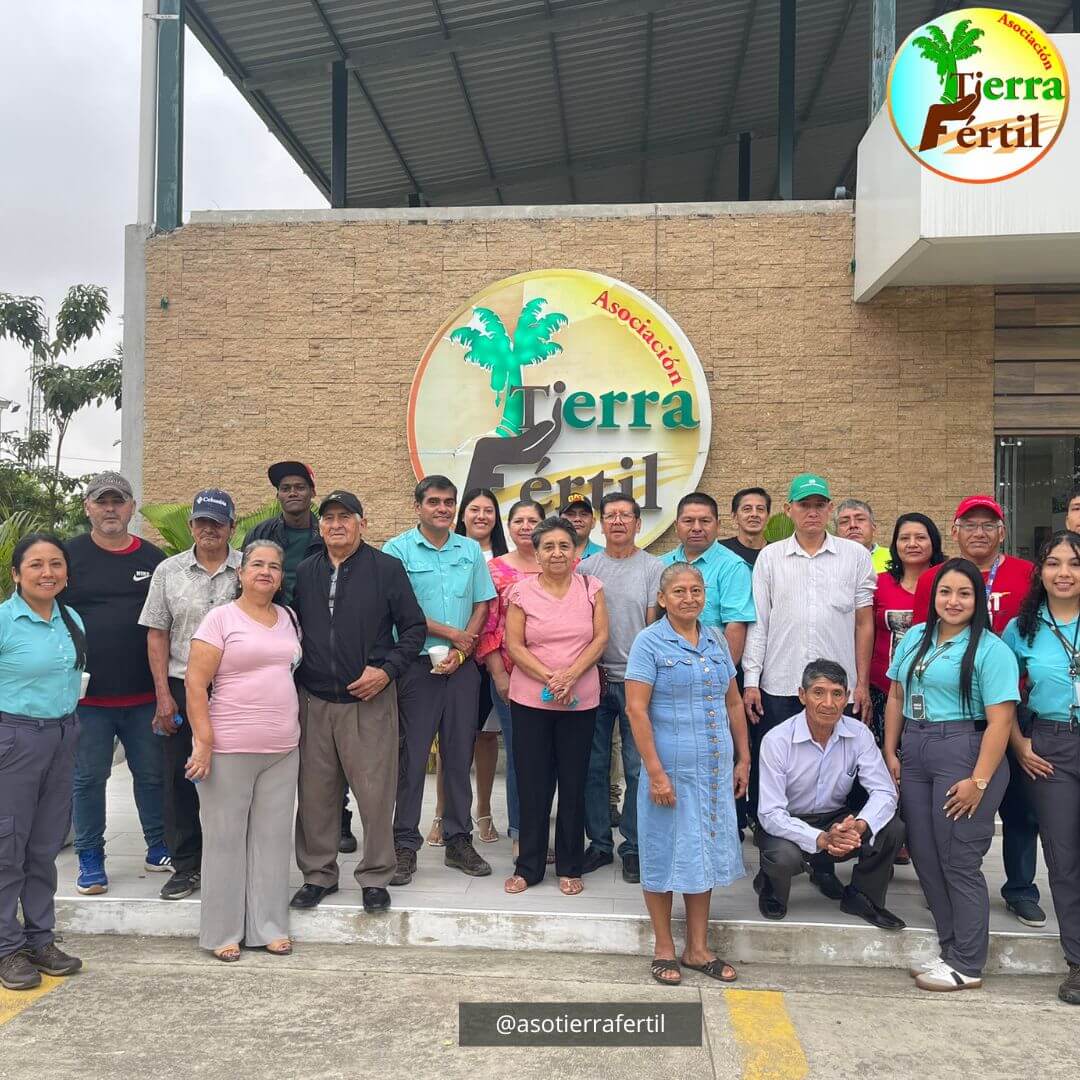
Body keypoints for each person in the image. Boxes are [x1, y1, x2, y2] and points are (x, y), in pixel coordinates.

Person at [884, 558, 1020, 992]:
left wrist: (979, 781)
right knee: (925, 856)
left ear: (978, 599)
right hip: (917, 748)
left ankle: (968, 962)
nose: (953, 601)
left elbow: (1001, 721)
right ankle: (950, 949)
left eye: (964, 593)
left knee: (958, 859)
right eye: (945, 592)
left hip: (964, 751)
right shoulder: (915, 637)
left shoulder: (991, 650)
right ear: (933, 596)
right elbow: (896, 694)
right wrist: (891, 749)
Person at [289, 491, 426, 911]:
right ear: (320, 526)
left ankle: (375, 875)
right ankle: (318, 874)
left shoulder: (386, 569)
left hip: (370, 700)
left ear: (361, 524)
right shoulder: (305, 571)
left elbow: (414, 628)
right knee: (316, 795)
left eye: (345, 517)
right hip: (315, 701)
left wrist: (386, 671)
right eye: (328, 518)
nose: (336, 524)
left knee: (375, 793)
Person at [912, 495, 1043, 928]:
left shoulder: (1027, 574)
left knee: (1020, 806)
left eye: (989, 525)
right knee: (951, 810)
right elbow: (922, 637)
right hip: (954, 716)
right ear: (955, 531)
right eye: (970, 525)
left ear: (1002, 532)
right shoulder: (934, 578)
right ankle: (949, 887)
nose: (979, 532)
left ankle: (1020, 888)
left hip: (1012, 704)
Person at [625, 562, 749, 986]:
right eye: (679, 591)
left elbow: (733, 702)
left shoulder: (715, 639)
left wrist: (744, 758)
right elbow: (636, 709)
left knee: (703, 852)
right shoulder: (649, 642)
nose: (689, 598)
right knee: (662, 851)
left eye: (696, 590)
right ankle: (664, 947)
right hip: (669, 770)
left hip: (712, 770)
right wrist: (655, 772)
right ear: (662, 599)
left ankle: (697, 948)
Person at [183, 541, 302, 961]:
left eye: (274, 566)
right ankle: (222, 932)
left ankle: (269, 926)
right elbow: (195, 684)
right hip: (229, 748)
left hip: (283, 748)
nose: (266, 572)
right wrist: (203, 742)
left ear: (281, 576)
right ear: (241, 572)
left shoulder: (288, 618)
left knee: (272, 841)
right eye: (257, 565)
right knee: (225, 841)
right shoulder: (220, 619)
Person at [383, 476, 497, 884]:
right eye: (434, 502)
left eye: (449, 502)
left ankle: (458, 840)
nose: (443, 509)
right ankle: (403, 843)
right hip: (416, 667)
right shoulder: (397, 550)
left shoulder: (469, 550)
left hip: (461, 668)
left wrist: (463, 650)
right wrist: (452, 634)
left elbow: (482, 603)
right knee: (411, 757)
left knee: (459, 754)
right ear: (418, 506)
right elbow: (402, 608)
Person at [742, 474, 876, 820]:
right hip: (781, 682)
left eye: (819, 505)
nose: (812, 512)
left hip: (838, 688)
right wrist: (752, 681)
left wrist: (861, 683)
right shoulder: (770, 557)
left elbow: (864, 623)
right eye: (804, 505)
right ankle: (773, 833)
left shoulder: (855, 556)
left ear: (830, 509)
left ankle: (834, 838)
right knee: (776, 764)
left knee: (838, 766)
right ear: (789, 510)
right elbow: (759, 622)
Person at [62, 472, 169, 896]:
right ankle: (90, 857)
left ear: (131, 508)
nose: (110, 508)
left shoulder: (154, 558)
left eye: (118, 501)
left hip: (144, 694)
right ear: (87, 506)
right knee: (89, 779)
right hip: (88, 698)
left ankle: (158, 845)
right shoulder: (68, 556)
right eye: (102, 501)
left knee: (152, 775)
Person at [139, 489, 241, 901]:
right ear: (191, 525)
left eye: (218, 522)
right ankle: (186, 865)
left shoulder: (248, 568)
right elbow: (157, 634)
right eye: (202, 521)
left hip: (234, 689)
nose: (209, 529)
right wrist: (163, 695)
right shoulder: (169, 571)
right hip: (181, 686)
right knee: (180, 779)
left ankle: (229, 864)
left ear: (232, 527)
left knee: (232, 779)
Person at [755, 659, 906, 929]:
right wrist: (821, 839)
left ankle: (862, 896)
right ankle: (771, 886)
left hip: (836, 819)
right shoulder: (777, 740)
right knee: (783, 857)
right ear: (802, 695)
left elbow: (884, 791)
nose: (828, 703)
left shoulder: (859, 734)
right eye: (818, 692)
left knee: (891, 828)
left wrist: (859, 826)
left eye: (837, 694)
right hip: (789, 821)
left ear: (846, 697)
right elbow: (770, 813)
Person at [503, 516, 609, 895]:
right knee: (532, 783)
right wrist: (552, 678)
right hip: (531, 701)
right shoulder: (521, 592)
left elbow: (600, 639)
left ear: (576, 551)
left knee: (574, 782)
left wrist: (572, 675)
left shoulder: (591, 587)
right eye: (548, 546)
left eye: (564, 545)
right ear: (537, 553)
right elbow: (514, 645)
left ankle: (569, 864)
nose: (557, 553)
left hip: (580, 701)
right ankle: (528, 866)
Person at [0, 534, 86, 991]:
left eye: (56, 563)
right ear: (17, 574)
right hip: (14, 738)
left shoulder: (71, 619)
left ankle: (39, 939)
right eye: (35, 564)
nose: (47, 572)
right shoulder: (4, 621)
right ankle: (6, 947)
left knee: (44, 846)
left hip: (62, 735)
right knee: (7, 846)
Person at [1003, 530, 1080, 1005]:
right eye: (1053, 563)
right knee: (1063, 857)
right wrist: (1019, 743)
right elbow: (1001, 694)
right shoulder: (1022, 627)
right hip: (1051, 746)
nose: (1064, 573)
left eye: (1074, 563)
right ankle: (1078, 961)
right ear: (1040, 571)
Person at [578, 493, 663, 883]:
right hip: (593, 679)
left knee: (636, 767)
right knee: (593, 767)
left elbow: (653, 625)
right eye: (610, 515)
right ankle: (599, 843)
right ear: (600, 523)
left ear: (637, 523)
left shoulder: (653, 567)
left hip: (636, 683)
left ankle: (633, 847)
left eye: (625, 515)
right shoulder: (586, 568)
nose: (617, 521)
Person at [426, 488, 508, 847]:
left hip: (492, 662)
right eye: (474, 509)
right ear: (463, 514)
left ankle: (484, 812)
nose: (481, 516)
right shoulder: (450, 551)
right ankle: (441, 813)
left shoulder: (507, 558)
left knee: (486, 737)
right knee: (451, 740)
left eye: (489, 510)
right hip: (452, 656)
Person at [475, 499, 545, 853]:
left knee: (552, 757)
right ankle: (521, 834)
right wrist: (499, 674)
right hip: (511, 676)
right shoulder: (495, 570)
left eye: (533, 520)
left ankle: (548, 831)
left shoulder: (564, 564)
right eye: (519, 520)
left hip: (556, 678)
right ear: (509, 526)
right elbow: (487, 627)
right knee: (521, 755)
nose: (525, 526)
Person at [870, 513, 945, 744]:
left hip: (934, 690)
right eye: (904, 538)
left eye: (920, 537)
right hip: (883, 689)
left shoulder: (947, 583)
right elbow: (865, 632)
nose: (912, 544)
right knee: (886, 755)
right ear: (895, 544)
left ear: (933, 542)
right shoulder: (878, 583)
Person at [659, 493, 756, 663]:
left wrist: (723, 672)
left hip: (712, 666)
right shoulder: (660, 564)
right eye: (688, 521)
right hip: (666, 665)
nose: (696, 528)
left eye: (705, 521)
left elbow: (736, 625)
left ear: (718, 525)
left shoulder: (733, 567)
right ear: (676, 526)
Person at [246, 461, 320, 604]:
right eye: (285, 489)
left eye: (300, 487)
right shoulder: (260, 534)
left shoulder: (325, 535)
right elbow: (246, 578)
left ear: (313, 492)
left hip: (314, 613)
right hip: (270, 612)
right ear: (278, 495)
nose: (292, 493)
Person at [835, 498, 892, 574]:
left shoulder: (894, 558)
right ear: (836, 533)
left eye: (860, 519)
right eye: (844, 521)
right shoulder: (827, 561)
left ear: (873, 528)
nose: (853, 525)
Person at [721, 487, 771, 566]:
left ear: (767, 516)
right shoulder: (721, 550)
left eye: (760, 509)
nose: (754, 514)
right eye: (747, 509)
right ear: (734, 516)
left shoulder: (776, 552)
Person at [559, 492, 603, 559]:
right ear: (559, 522)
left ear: (593, 522)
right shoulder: (549, 555)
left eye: (583, 514)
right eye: (570, 514)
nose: (577, 519)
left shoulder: (605, 556)